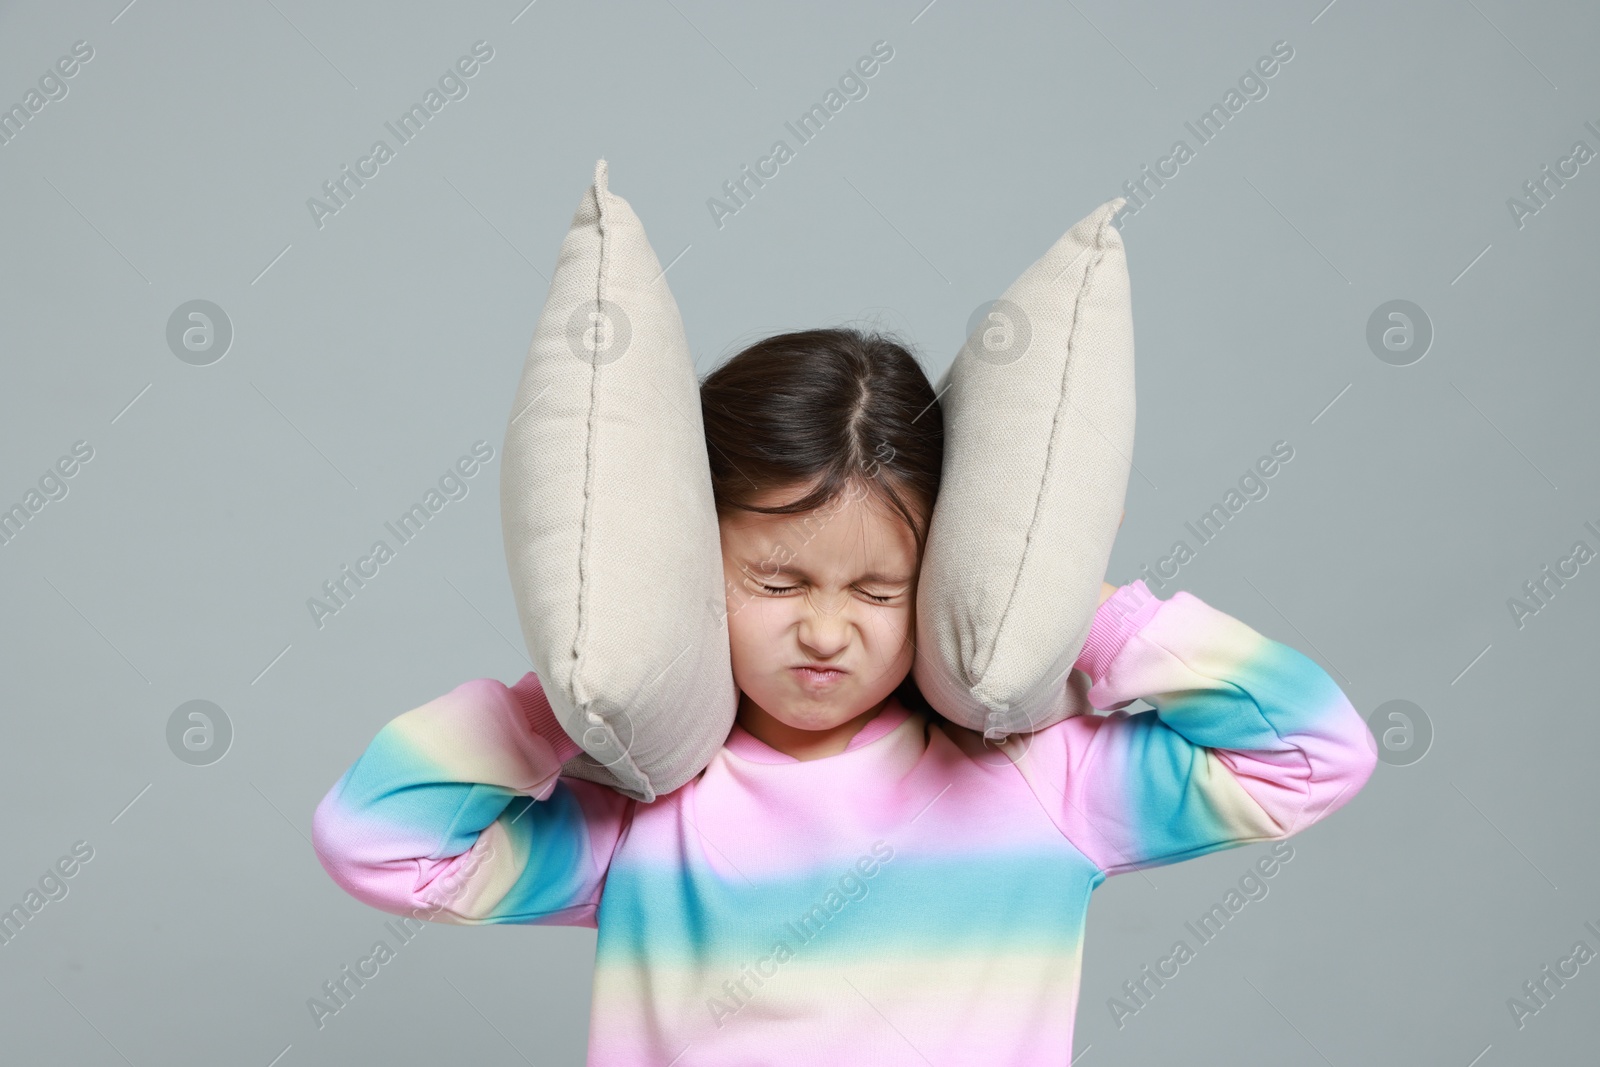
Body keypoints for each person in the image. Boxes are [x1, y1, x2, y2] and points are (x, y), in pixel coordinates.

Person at [311, 326, 1378, 1064]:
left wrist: (1083, 611)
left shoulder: (1041, 783)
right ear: (692, 571)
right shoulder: (648, 818)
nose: (826, 629)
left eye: (880, 589)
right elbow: (383, 842)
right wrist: (576, 691)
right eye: (775, 583)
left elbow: (1313, 752)